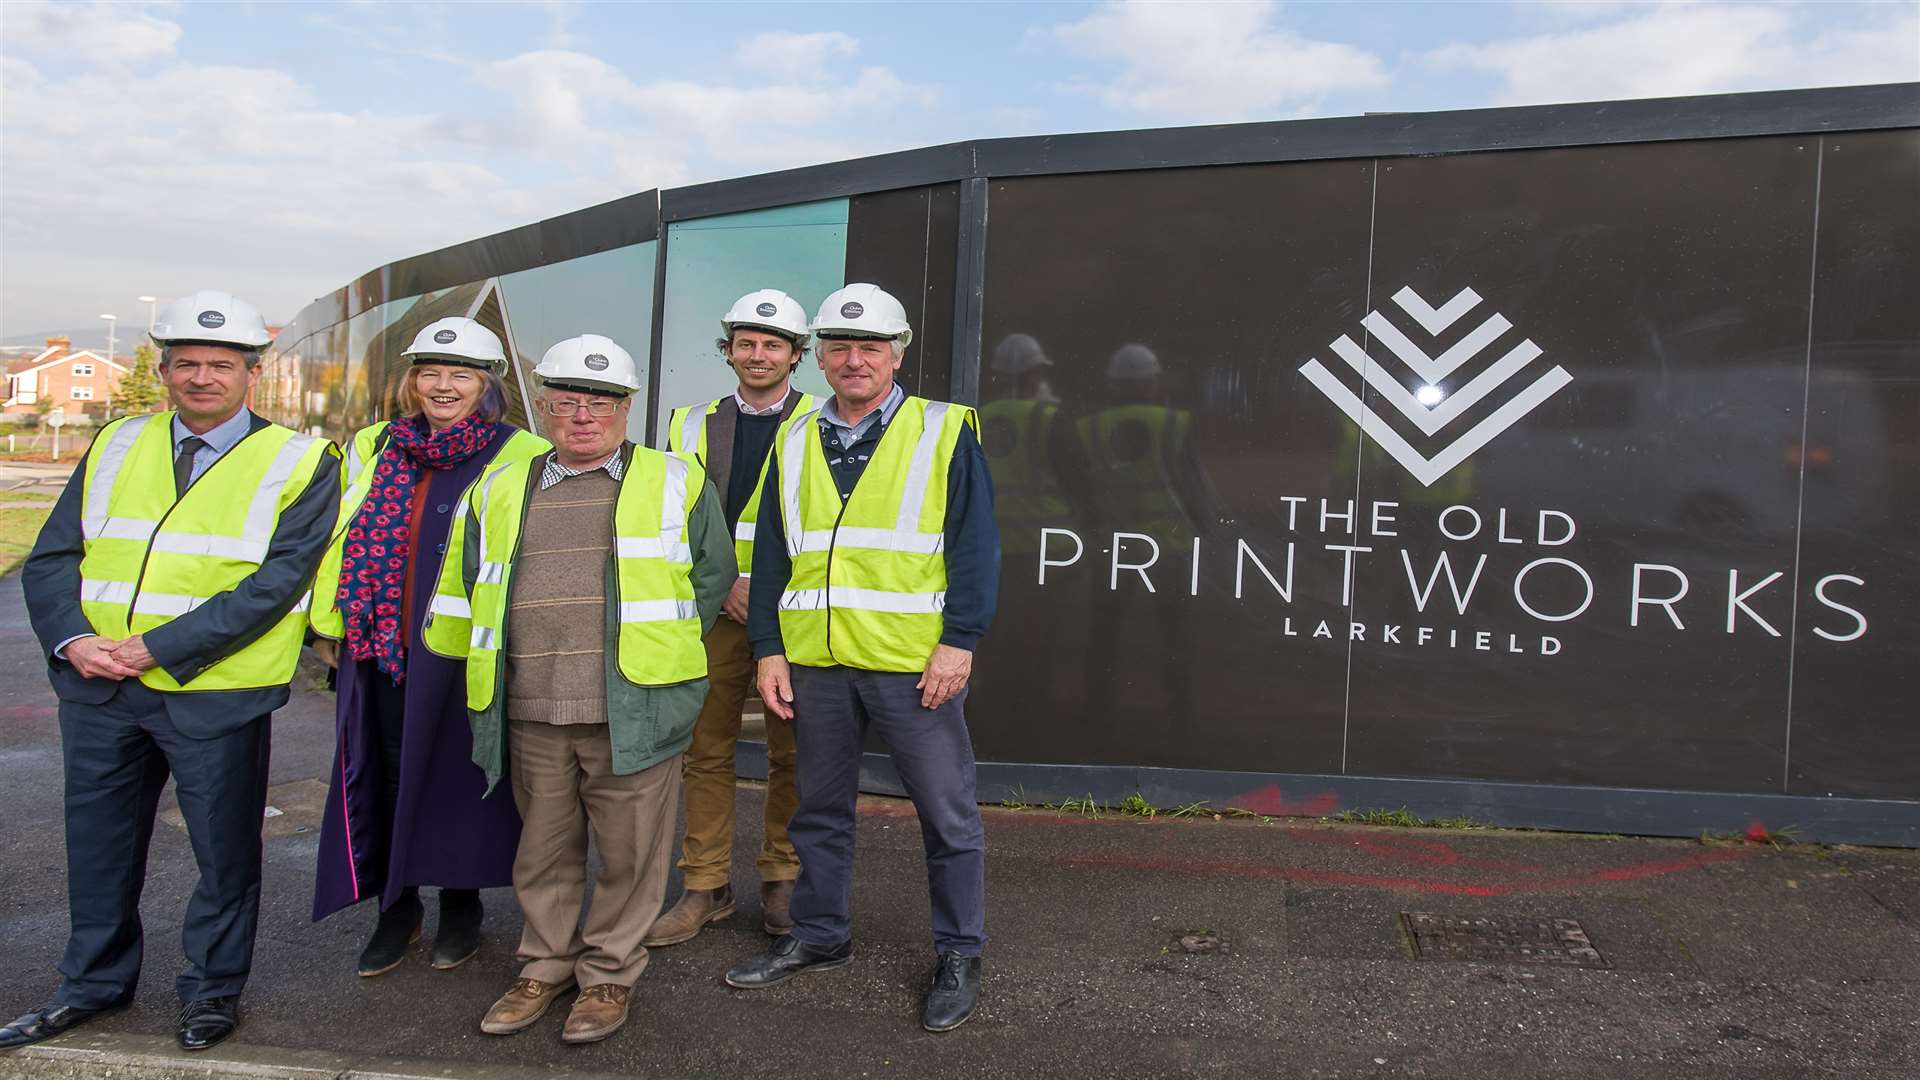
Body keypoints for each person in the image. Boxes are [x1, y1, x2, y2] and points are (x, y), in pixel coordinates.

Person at [4, 291, 340, 1052]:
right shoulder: (119, 442)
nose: (201, 377)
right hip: (97, 686)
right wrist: (72, 640)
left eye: (220, 364)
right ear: (162, 371)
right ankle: (90, 986)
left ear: (251, 373)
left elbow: (277, 583)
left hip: (213, 694)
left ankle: (211, 993)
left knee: (224, 856)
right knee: (97, 846)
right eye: (186, 363)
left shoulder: (299, 459)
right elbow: (52, 554)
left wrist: (161, 647)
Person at [421, 334, 734, 1045]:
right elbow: (469, 583)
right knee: (544, 851)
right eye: (566, 403)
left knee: (630, 857)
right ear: (545, 408)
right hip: (531, 707)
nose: (583, 417)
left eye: (600, 403)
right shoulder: (502, 486)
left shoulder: (676, 481)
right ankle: (543, 967)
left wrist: (657, 657)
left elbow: (711, 580)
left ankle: (608, 979)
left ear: (626, 409)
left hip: (636, 705)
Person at [723, 283, 1000, 1033]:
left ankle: (960, 952)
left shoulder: (942, 431)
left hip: (914, 663)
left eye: (869, 348)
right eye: (839, 348)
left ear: (897, 354)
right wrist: (769, 648)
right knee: (818, 809)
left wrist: (959, 641)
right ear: (818, 357)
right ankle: (819, 936)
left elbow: (976, 545)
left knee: (946, 815)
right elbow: (775, 553)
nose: (853, 360)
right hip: (815, 660)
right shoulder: (795, 436)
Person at [308, 317, 550, 976]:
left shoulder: (520, 452)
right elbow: (342, 536)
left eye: (460, 374)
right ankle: (397, 906)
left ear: (488, 384)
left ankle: (461, 903)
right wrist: (331, 625)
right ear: (412, 381)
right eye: (431, 373)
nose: (443, 386)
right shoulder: (376, 444)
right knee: (383, 772)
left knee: (461, 778)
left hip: (465, 648)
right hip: (381, 643)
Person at [648, 290, 817, 946]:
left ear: (796, 356)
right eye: (745, 343)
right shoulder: (687, 424)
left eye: (772, 344)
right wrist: (723, 588)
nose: (757, 354)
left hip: (794, 616)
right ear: (728, 351)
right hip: (715, 611)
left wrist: (768, 592)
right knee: (706, 751)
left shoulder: (824, 423)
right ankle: (705, 885)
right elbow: (674, 519)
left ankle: (781, 877)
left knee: (792, 755)